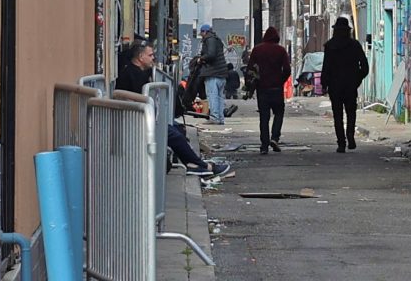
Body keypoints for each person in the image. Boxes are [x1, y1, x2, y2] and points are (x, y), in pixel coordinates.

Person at [118, 44, 229, 177]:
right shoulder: (130, 74)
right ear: (141, 57)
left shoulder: (140, 72)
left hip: (143, 119)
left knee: (177, 132)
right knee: (175, 135)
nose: (153, 58)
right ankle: (202, 165)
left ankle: (195, 165)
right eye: (150, 55)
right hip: (136, 121)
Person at [320, 17, 369, 153]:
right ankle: (350, 136)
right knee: (351, 113)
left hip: (335, 86)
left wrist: (324, 84)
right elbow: (365, 66)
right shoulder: (354, 45)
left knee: (338, 115)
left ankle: (341, 143)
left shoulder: (330, 46)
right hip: (350, 85)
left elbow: (326, 67)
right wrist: (357, 79)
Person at [247, 27, 291, 154]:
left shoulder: (257, 50)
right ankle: (275, 137)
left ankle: (264, 146)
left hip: (262, 89)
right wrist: (280, 81)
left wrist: (250, 86)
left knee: (264, 117)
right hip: (276, 88)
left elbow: (250, 69)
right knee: (279, 113)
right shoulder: (281, 50)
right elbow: (287, 70)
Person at [197, 23, 229, 124]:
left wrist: (201, 58)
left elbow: (211, 55)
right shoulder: (217, 40)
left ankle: (214, 117)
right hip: (222, 73)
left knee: (212, 96)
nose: (201, 35)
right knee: (219, 97)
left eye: (202, 33)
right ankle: (220, 118)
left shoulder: (209, 39)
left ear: (205, 32)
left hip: (213, 73)